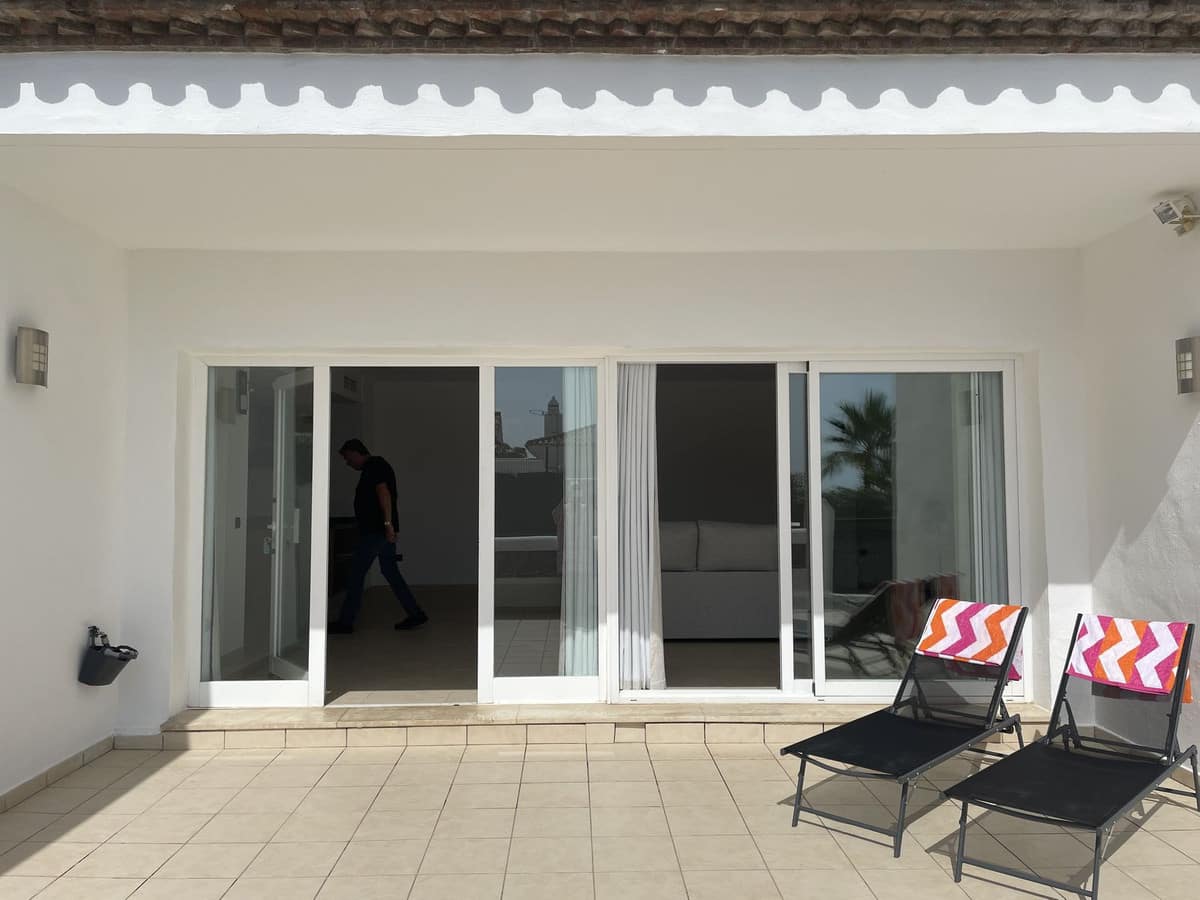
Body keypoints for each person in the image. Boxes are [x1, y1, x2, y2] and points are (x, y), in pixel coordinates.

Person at [329, 438, 428, 634]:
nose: (348, 463)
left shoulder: (375, 466)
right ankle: (415, 613)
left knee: (356, 573)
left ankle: (346, 622)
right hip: (380, 531)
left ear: (356, 453)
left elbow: (384, 494)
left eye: (348, 458)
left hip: (375, 532)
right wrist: (388, 527)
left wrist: (388, 525)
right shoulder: (374, 467)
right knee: (390, 571)